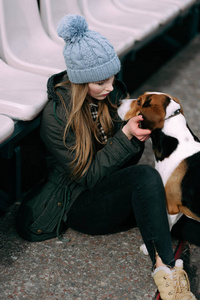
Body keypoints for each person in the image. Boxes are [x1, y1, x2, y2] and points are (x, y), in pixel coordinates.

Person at [17, 14, 197, 299]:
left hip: (115, 191)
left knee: (189, 221)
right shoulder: (56, 117)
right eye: (101, 82)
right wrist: (125, 136)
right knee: (147, 177)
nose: (111, 87)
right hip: (81, 204)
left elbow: (126, 160)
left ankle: (168, 247)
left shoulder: (109, 96)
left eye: (113, 78)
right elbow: (87, 178)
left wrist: (137, 134)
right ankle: (166, 273)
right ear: (80, 80)